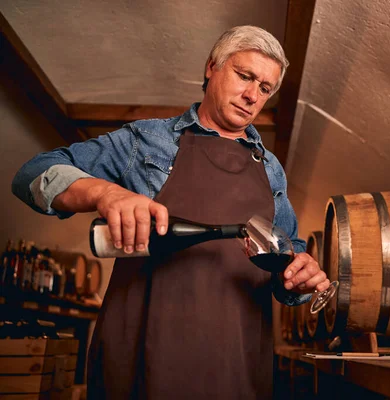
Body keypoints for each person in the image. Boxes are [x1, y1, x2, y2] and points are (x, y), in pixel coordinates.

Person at [12, 25, 330, 399]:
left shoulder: (271, 167)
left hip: (237, 363)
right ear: (212, 67)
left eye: (264, 88)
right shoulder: (146, 141)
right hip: (140, 356)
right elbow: (31, 176)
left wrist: (300, 276)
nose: (251, 96)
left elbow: (287, 260)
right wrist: (104, 193)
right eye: (244, 76)